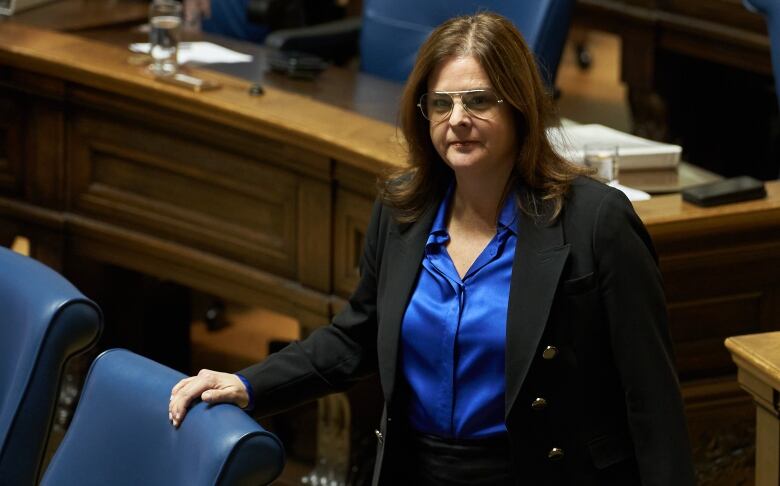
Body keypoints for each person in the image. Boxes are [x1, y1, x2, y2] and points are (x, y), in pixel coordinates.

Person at [169, 12, 696, 486]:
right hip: (417, 468)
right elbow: (355, 338)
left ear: (519, 106)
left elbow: (651, 399)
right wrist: (246, 384)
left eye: (478, 100)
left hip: (538, 469)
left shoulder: (594, 221)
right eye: (440, 103)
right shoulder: (404, 210)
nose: (456, 119)